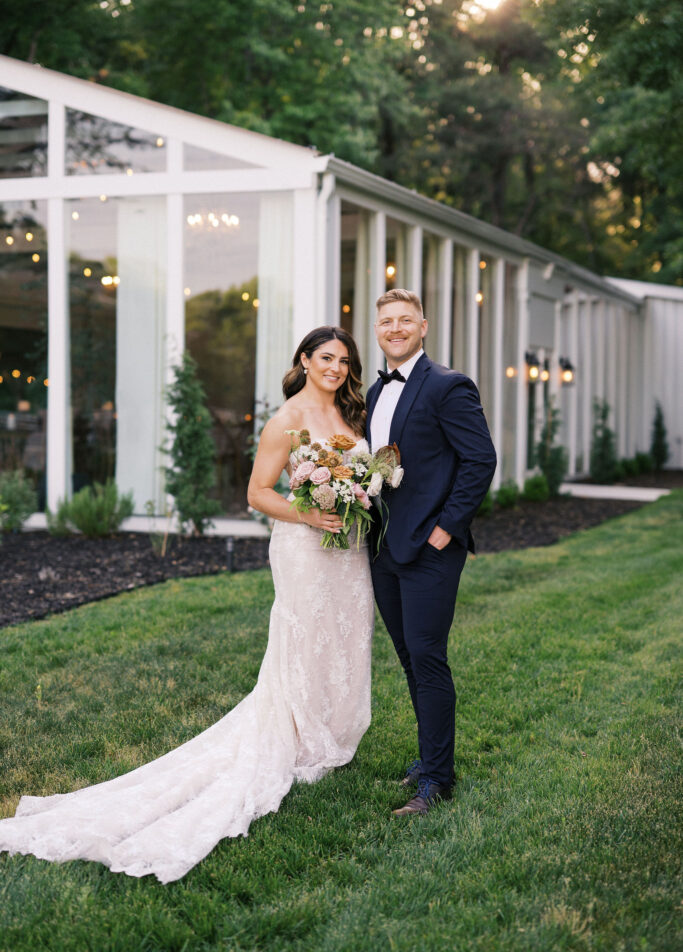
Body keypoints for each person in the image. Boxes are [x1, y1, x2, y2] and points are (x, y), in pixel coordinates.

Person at [0, 327, 374, 883]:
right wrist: (309, 513)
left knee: (345, 636)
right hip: (305, 548)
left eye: (344, 360)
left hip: (349, 551)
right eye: (326, 357)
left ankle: (334, 731)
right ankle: (300, 738)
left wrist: (357, 496)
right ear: (304, 359)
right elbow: (257, 493)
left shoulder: (352, 414)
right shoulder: (287, 419)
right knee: (305, 639)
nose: (336, 368)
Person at [366, 289, 496, 816]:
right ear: (377, 330)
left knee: (428, 657)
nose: (395, 328)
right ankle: (428, 760)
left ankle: (438, 780)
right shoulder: (375, 391)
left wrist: (447, 528)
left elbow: (480, 459)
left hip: (431, 547)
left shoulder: (447, 385)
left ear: (423, 326)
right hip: (383, 547)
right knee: (408, 658)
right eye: (386, 322)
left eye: (405, 320)